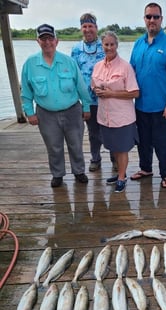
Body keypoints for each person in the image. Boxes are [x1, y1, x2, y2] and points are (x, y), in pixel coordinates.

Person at [21, 24, 90, 188]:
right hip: (46, 113)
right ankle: (57, 174)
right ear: (37, 41)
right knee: (54, 146)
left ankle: (79, 171)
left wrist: (86, 107)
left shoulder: (69, 61)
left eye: (50, 38)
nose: (47, 42)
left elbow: (81, 86)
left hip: (72, 111)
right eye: (43, 39)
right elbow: (26, 91)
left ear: (56, 41)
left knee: (76, 144)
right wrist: (29, 112)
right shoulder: (30, 64)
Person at [130, 2, 166, 188]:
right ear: (144, 19)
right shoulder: (138, 44)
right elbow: (130, 74)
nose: (152, 20)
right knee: (143, 141)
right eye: (148, 16)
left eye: (156, 17)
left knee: (163, 143)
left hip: (162, 107)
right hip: (140, 105)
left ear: (161, 19)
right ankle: (146, 168)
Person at [92, 31, 139, 193]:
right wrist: (97, 89)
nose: (109, 47)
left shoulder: (125, 67)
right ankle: (121, 174)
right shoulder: (97, 66)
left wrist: (111, 93)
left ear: (117, 46)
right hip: (105, 117)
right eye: (106, 44)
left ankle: (121, 178)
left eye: (112, 44)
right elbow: (93, 85)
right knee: (114, 148)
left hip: (122, 117)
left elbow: (134, 93)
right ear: (102, 45)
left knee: (122, 148)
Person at [71, 13, 116, 172]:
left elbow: (115, 67)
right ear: (81, 28)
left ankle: (115, 159)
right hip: (88, 101)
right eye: (85, 26)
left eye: (91, 26)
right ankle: (95, 159)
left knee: (109, 130)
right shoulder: (76, 49)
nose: (88, 29)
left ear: (96, 28)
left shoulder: (105, 45)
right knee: (93, 132)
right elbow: (73, 75)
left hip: (107, 98)